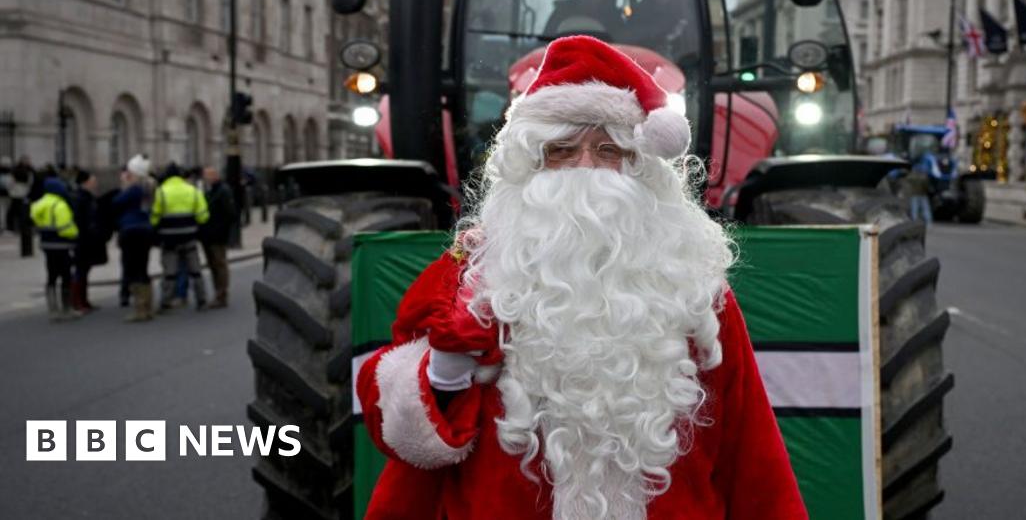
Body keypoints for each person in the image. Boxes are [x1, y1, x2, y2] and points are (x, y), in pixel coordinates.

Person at [356, 36, 807, 519]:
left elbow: (752, 453)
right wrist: (442, 377)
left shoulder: (691, 287)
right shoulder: (475, 279)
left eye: (609, 150)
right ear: (530, 165)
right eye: (562, 151)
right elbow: (402, 440)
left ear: (641, 169)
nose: (586, 168)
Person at [151, 162, 210, 311]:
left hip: (169, 239)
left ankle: (166, 301)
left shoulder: (161, 192)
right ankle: (201, 300)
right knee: (195, 271)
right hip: (189, 236)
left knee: (170, 272)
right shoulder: (193, 190)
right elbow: (203, 216)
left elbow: (154, 217)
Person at [30, 177, 80, 321]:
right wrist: (75, 234)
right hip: (62, 245)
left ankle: (52, 309)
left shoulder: (37, 205)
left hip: (47, 244)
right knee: (66, 275)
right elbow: (66, 227)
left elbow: (35, 221)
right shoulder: (60, 205)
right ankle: (67, 308)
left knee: (51, 275)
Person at [114, 155, 156, 322]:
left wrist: (125, 185)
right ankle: (147, 306)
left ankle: (140, 309)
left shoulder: (134, 190)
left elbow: (116, 202)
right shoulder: (149, 187)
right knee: (142, 268)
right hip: (145, 229)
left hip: (131, 230)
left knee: (132, 269)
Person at [70, 170, 109, 313]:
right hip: (82, 240)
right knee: (80, 270)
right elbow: (82, 220)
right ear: (85, 182)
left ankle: (83, 300)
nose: (95, 184)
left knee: (85, 270)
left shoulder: (87, 197)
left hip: (87, 239)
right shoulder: (80, 198)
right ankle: (77, 301)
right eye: (93, 181)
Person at [200, 166, 236, 309]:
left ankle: (222, 294)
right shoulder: (209, 191)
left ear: (216, 175)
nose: (206, 178)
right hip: (207, 234)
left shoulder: (223, 191)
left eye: (209, 175)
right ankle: (218, 292)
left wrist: (223, 230)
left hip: (217, 234)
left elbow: (230, 213)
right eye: (205, 175)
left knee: (220, 264)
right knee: (213, 265)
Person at [904, 160, 933, 224]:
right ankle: (928, 223)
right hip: (922, 194)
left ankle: (914, 223)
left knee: (914, 210)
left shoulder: (911, 176)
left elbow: (907, 182)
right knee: (925, 210)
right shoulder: (924, 176)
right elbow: (927, 186)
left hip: (914, 195)